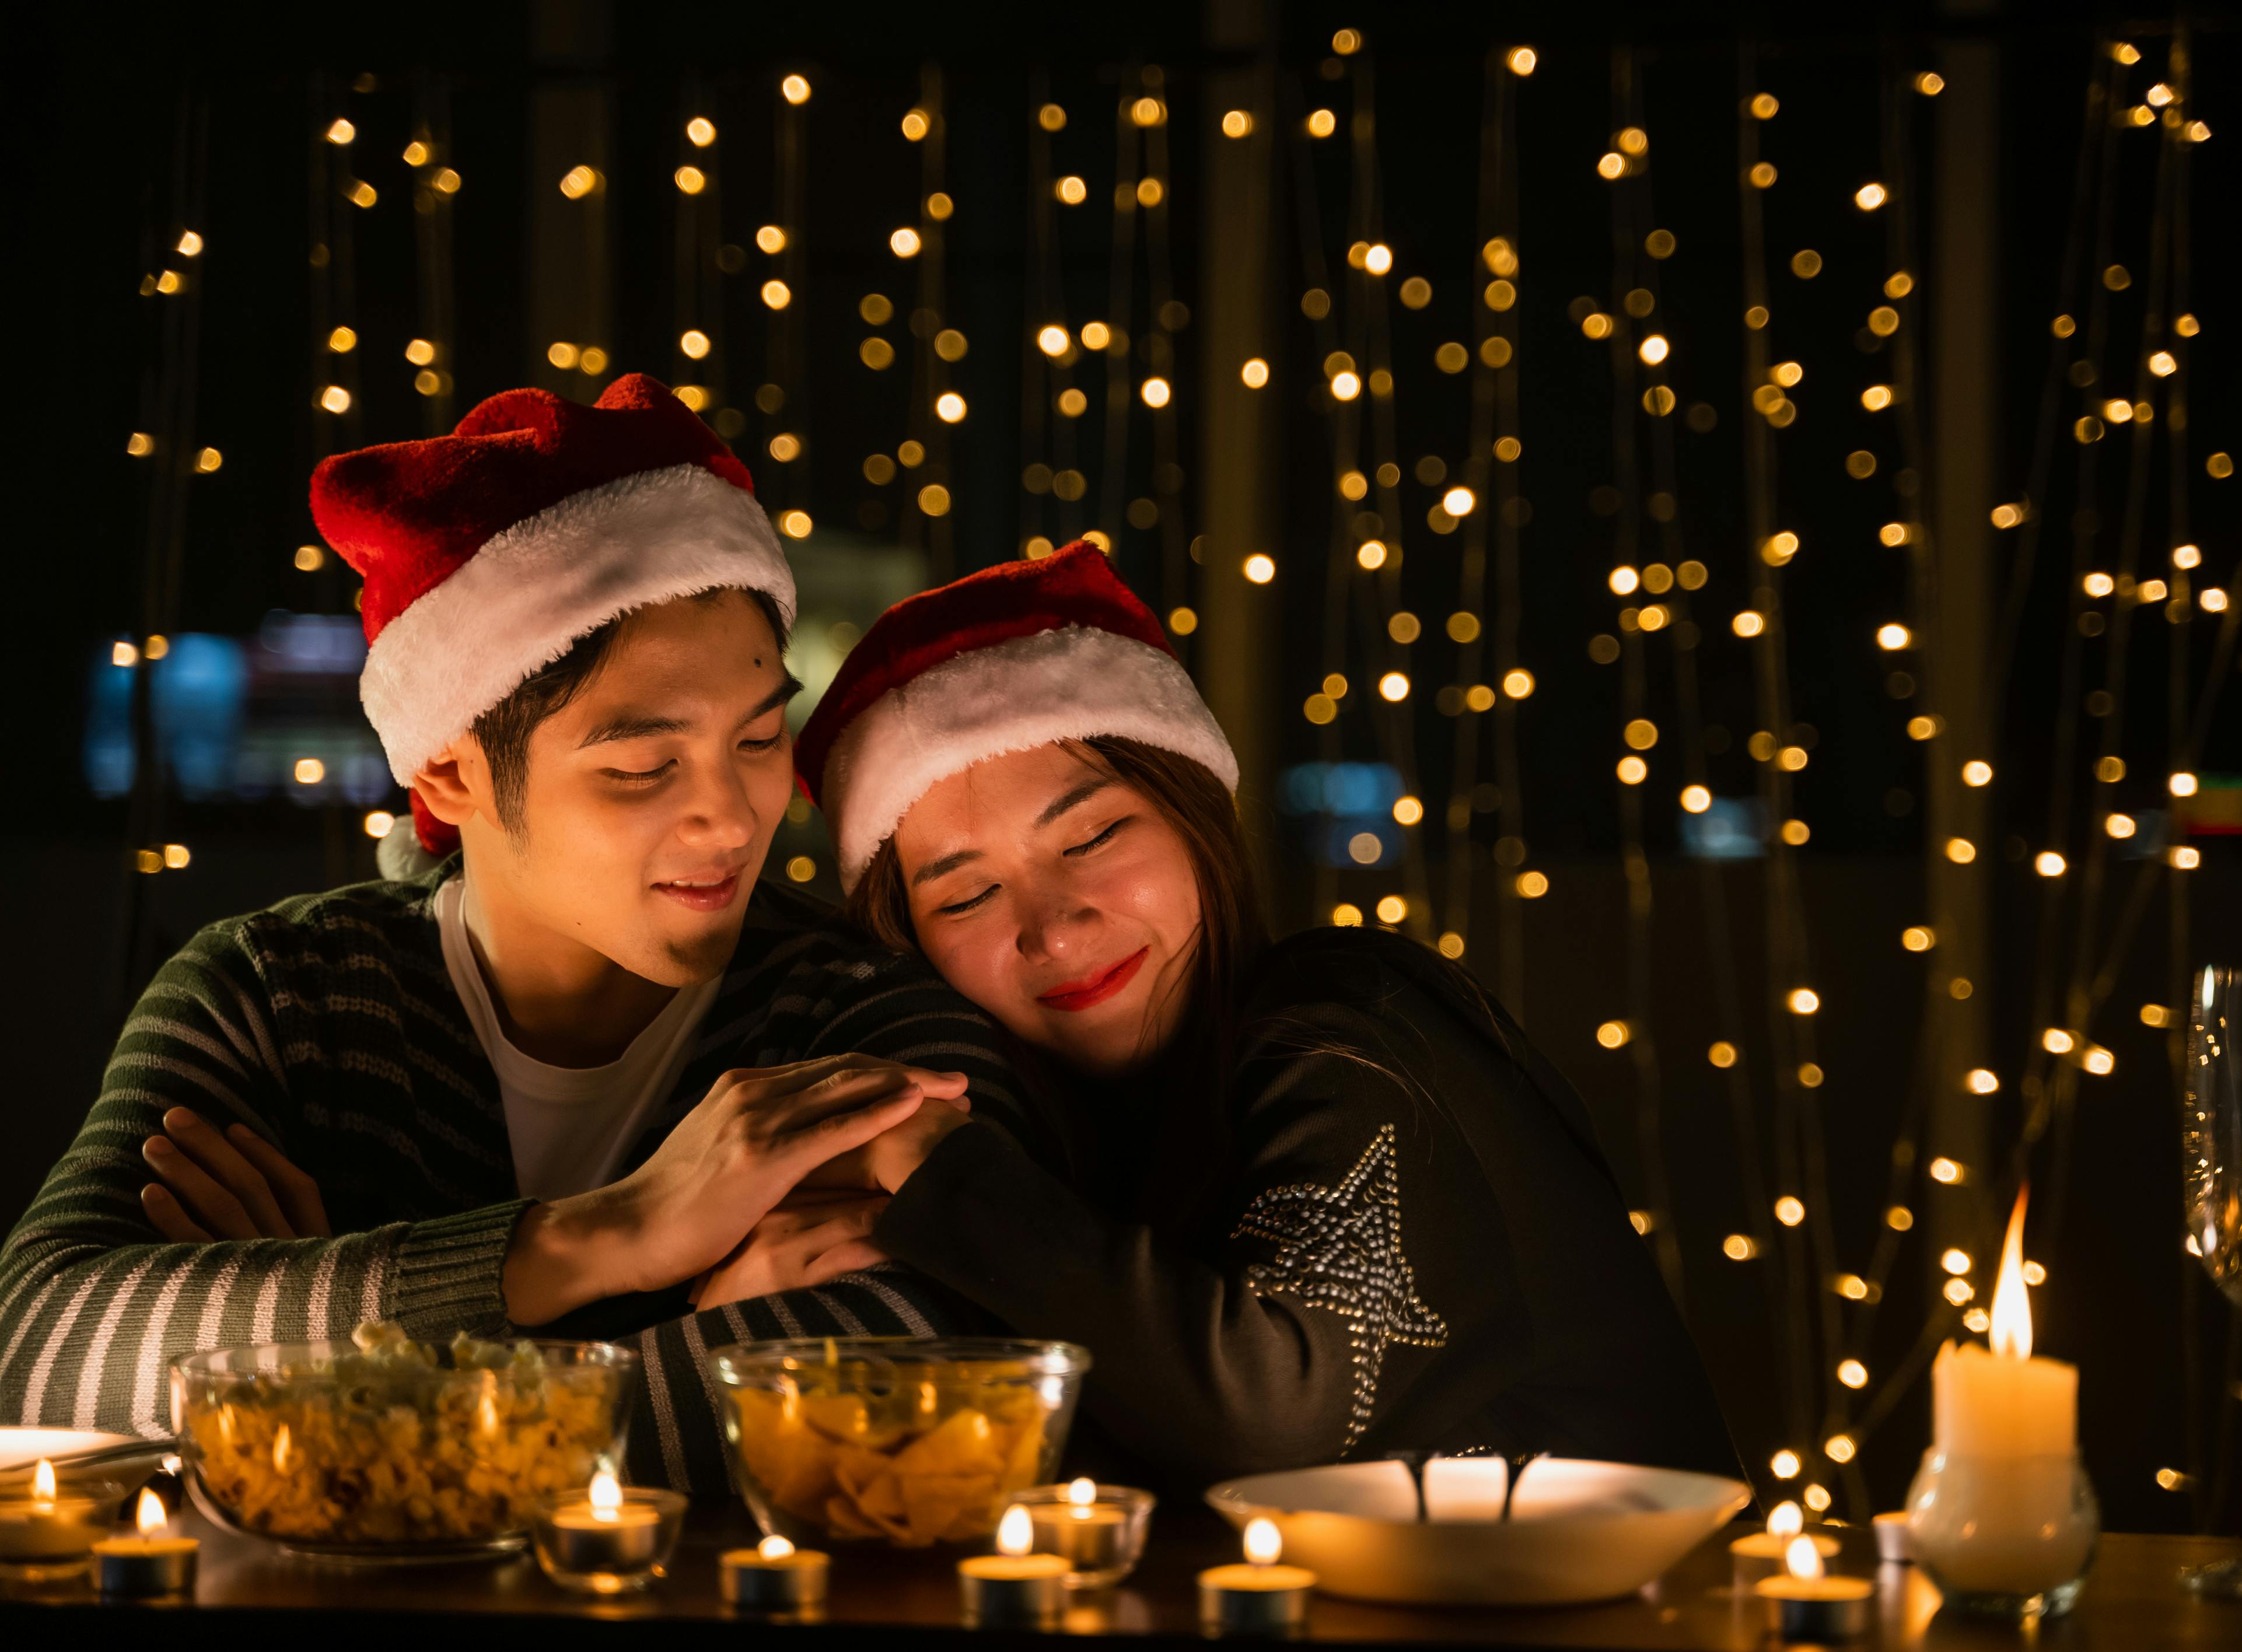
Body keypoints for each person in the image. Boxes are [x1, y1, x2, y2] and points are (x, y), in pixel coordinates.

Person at [0, 377, 993, 1492]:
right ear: (449, 773)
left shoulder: (858, 1014)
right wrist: (616, 1239)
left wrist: (301, 1351)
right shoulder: (276, 994)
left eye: (760, 741)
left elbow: (924, 1364)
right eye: (643, 766)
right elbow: (37, 1355)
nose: (732, 817)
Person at [787, 542, 1738, 1486]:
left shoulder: (1350, 1020)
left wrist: (936, 1169)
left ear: (1197, 816)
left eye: (1094, 836)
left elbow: (1269, 1408)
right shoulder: (1073, 1140)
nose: (1055, 929)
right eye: (966, 896)